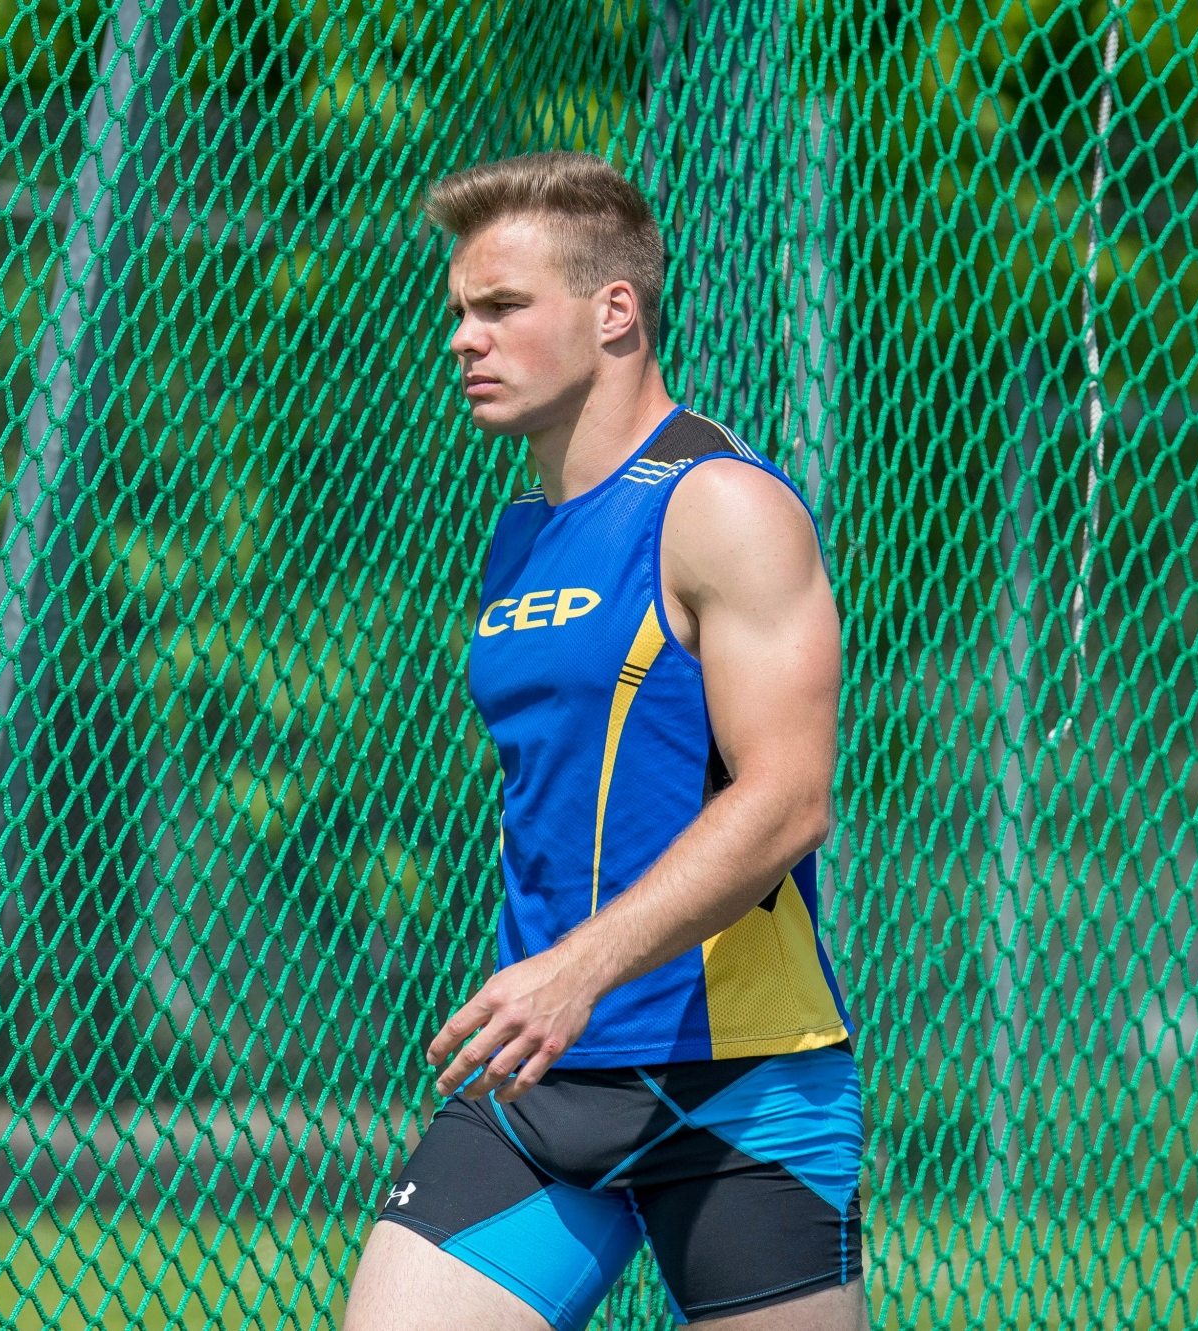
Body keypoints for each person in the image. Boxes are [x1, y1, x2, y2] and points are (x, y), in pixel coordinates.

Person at [343, 153, 865, 1331]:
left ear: (612, 309)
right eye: (458, 313)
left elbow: (787, 801)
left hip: (737, 1091)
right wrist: (554, 982)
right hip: (537, 1086)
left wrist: (578, 966)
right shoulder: (521, 529)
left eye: (500, 307)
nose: (462, 340)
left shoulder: (721, 505)